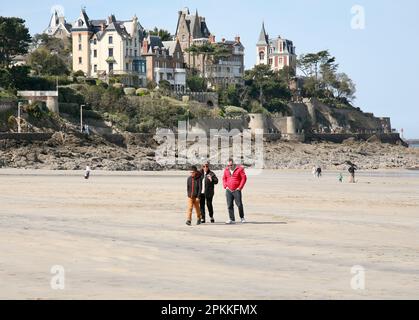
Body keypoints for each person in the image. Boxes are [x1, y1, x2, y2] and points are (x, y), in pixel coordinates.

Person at [223, 159, 248, 224]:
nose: (229, 167)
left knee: (239, 204)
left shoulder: (240, 169)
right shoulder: (226, 170)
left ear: (234, 164)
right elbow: (224, 178)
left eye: (231, 165)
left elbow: (244, 178)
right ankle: (232, 219)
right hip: (228, 190)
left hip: (236, 190)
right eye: (228, 165)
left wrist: (240, 187)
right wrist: (225, 186)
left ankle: (242, 217)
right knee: (229, 205)